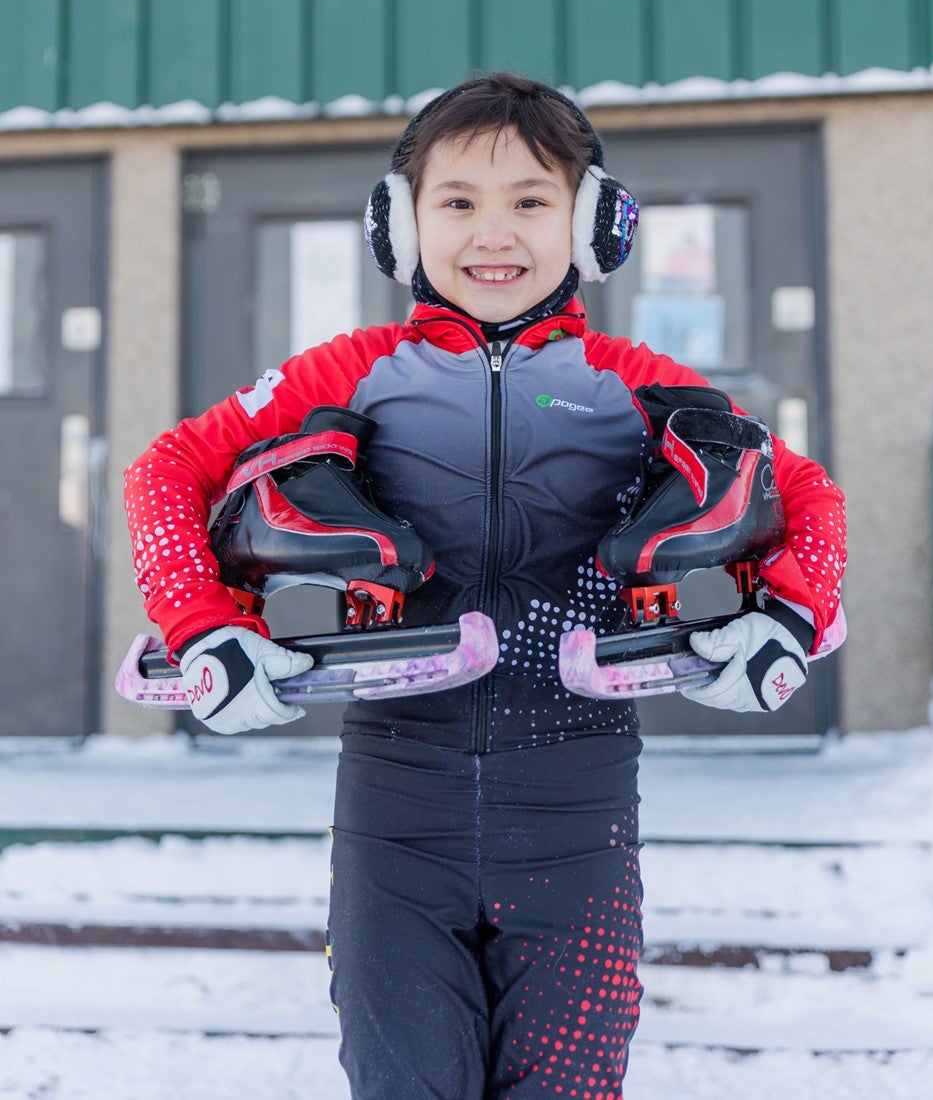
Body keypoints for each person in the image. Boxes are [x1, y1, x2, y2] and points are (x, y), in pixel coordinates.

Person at [123, 71, 847, 1098]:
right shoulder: (347, 371)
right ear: (399, 225)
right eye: (456, 202)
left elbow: (805, 494)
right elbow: (164, 471)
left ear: (592, 223)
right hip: (393, 812)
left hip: (578, 812)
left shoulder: (638, 385)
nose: (491, 233)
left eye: (530, 201)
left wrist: (788, 614)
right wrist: (202, 629)